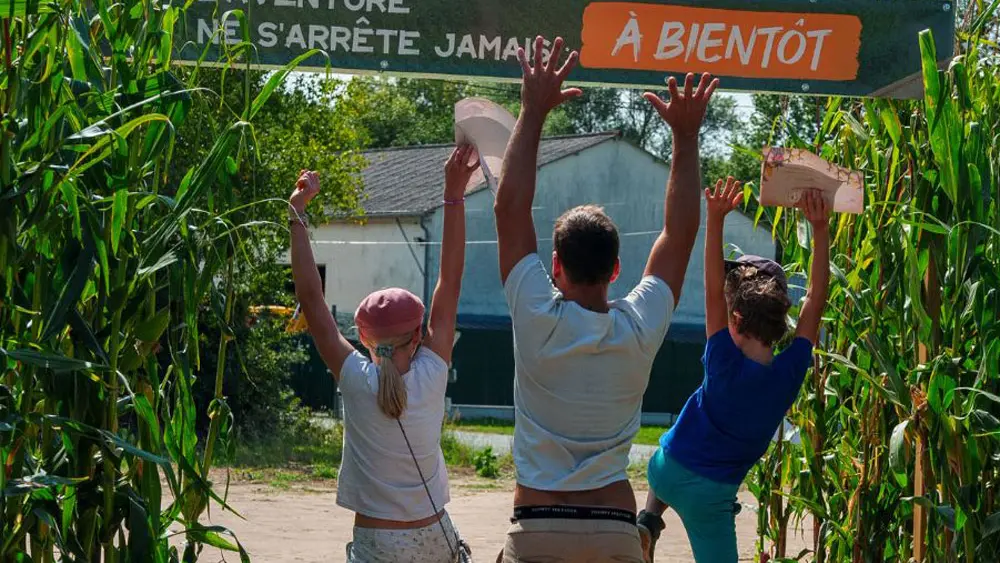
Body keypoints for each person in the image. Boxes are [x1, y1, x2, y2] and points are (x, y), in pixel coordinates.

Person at [493, 33, 719, 562]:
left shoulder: (535, 315)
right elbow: (679, 235)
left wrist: (532, 112)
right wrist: (685, 139)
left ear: (555, 266)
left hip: (538, 526)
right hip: (615, 528)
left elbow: (508, 211)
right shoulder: (638, 326)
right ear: (616, 269)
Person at [289, 145, 480, 563]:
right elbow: (451, 278)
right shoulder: (433, 371)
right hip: (435, 534)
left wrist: (297, 212)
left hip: (378, 542)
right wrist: (453, 194)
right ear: (420, 333)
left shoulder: (355, 379)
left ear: (360, 336)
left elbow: (311, 299)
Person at [637, 180, 832, 563]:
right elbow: (815, 297)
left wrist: (716, 217)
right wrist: (821, 230)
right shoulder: (789, 373)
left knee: (675, 447)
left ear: (736, 317)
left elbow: (710, 290)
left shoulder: (721, 356)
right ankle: (648, 523)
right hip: (710, 497)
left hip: (666, 470)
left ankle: (647, 521)